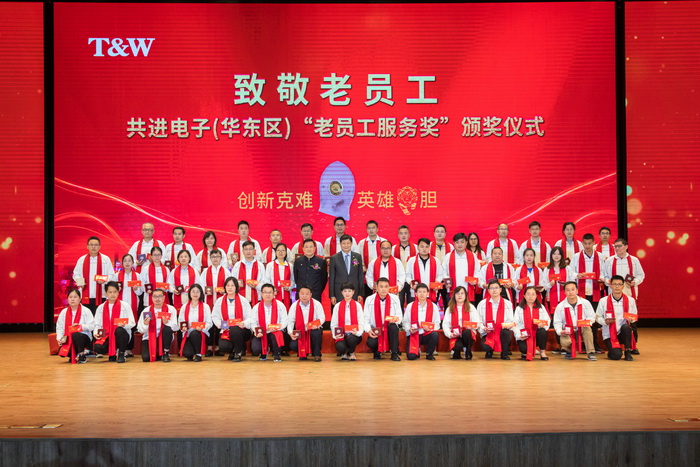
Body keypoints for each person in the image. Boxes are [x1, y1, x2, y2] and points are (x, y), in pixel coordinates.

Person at [603, 238, 645, 352]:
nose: (617, 248)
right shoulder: (609, 260)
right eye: (615, 246)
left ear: (626, 246)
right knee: (614, 319)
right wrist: (607, 281)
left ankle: (633, 346)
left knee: (631, 320)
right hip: (614, 296)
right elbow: (604, 275)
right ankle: (614, 342)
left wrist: (634, 282)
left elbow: (641, 275)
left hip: (629, 294)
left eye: (619, 246)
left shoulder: (634, 260)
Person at [572, 233, 605, 353]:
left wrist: (601, 278)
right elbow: (571, 271)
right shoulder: (576, 256)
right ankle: (581, 344)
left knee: (594, 319)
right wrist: (577, 275)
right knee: (581, 318)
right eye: (585, 243)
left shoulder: (600, 256)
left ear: (593, 243)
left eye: (589, 243)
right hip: (581, 292)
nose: (587, 246)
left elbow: (604, 271)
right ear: (582, 243)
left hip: (595, 291)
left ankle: (594, 344)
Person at [595, 275, 638, 361]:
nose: (617, 286)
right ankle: (613, 351)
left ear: (623, 286)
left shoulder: (630, 300)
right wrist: (605, 322)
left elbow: (634, 315)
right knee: (616, 356)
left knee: (626, 327)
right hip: (609, 333)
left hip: (623, 332)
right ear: (611, 286)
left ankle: (628, 352)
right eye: (614, 284)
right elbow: (597, 317)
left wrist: (631, 320)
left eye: (619, 284)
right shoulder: (603, 301)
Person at [553, 282, 597, 361]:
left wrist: (586, 323)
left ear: (577, 290)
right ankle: (568, 351)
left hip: (582, 328)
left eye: (573, 289)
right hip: (568, 330)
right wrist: (560, 331)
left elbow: (592, 316)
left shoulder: (585, 303)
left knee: (587, 329)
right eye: (568, 290)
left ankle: (590, 352)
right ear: (564, 292)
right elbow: (557, 322)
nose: (570, 292)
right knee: (564, 339)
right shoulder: (560, 306)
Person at [211, 277, 253, 362]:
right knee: (224, 347)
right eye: (228, 285)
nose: (230, 288)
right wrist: (221, 325)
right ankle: (233, 351)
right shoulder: (219, 301)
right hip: (226, 329)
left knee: (235, 330)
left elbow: (250, 317)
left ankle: (238, 353)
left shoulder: (243, 300)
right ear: (225, 287)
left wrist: (244, 323)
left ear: (236, 287)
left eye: (232, 285)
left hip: (242, 330)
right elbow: (214, 316)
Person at [198, 249, 231, 355]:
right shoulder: (205, 272)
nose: (215, 259)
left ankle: (217, 347)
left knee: (220, 323)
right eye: (213, 257)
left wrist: (224, 290)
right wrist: (206, 291)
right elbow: (201, 286)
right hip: (209, 301)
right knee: (210, 324)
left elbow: (230, 285)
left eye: (217, 257)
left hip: (222, 302)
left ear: (221, 258)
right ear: (210, 258)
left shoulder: (226, 271)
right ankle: (209, 348)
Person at [93, 281, 135, 363]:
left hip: (122, 335)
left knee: (119, 330)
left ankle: (121, 353)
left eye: (115, 292)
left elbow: (132, 322)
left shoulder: (125, 305)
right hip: (107, 335)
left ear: (118, 292)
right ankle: (112, 353)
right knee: (97, 347)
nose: (112, 294)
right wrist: (96, 333)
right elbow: (97, 324)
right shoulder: (101, 308)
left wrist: (124, 325)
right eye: (110, 292)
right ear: (106, 293)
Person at [72, 236, 114, 314]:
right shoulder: (82, 260)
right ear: (87, 246)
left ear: (100, 247)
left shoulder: (105, 259)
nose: (93, 247)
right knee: (86, 316)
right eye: (91, 245)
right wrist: (80, 282)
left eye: (96, 245)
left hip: (101, 294)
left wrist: (104, 280)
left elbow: (111, 274)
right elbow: (76, 274)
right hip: (85, 293)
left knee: (99, 316)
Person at [364, 278, 403, 361]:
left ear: (389, 287)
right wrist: (368, 330)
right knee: (371, 343)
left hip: (389, 329)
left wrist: (395, 320)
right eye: (381, 286)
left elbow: (399, 315)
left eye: (386, 286)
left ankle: (394, 353)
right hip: (376, 330)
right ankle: (377, 351)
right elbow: (365, 318)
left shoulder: (395, 298)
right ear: (376, 288)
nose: (384, 289)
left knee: (393, 327)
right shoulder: (369, 299)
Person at [476, 279, 515, 360]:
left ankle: (504, 353)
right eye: (491, 288)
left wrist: (506, 325)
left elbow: (510, 320)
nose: (494, 290)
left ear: (500, 290)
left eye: (496, 288)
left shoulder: (507, 303)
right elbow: (478, 321)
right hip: (488, 333)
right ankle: (489, 351)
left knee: (506, 333)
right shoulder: (482, 304)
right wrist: (483, 328)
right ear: (488, 290)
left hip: (502, 332)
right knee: (485, 347)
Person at [136, 288, 178, 362]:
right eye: (155, 296)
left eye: (160, 296)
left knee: (167, 328)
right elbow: (140, 330)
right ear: (152, 298)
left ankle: (165, 352)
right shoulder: (146, 311)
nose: (157, 299)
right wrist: (145, 324)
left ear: (164, 298)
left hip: (164, 337)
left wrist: (167, 323)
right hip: (149, 337)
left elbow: (176, 328)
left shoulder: (171, 309)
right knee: (146, 358)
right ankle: (158, 354)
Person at [249, 284, 288, 361]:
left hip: (275, 331)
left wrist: (277, 328)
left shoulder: (280, 305)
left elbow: (285, 321)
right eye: (265, 292)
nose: (267, 295)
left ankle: (277, 353)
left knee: (277, 335)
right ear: (261, 294)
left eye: (270, 292)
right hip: (262, 332)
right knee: (255, 348)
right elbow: (253, 322)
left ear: (274, 293)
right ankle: (263, 352)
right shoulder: (256, 307)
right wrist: (256, 331)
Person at [55, 289, 95, 364]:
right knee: (62, 352)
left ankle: (81, 355)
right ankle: (75, 354)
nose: (72, 299)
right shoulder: (64, 312)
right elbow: (59, 327)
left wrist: (80, 327)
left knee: (76, 335)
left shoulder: (86, 311)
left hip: (84, 337)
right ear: (67, 299)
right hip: (68, 338)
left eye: (75, 297)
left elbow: (92, 326)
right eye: (70, 297)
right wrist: (59, 338)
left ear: (80, 299)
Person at [287, 285, 325, 361]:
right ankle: (303, 353)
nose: (304, 296)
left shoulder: (316, 304)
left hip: (312, 329)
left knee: (316, 333)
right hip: (300, 332)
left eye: (307, 294)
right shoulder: (294, 306)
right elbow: (290, 321)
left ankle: (317, 354)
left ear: (311, 294)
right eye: (302, 293)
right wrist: (290, 332)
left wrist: (316, 325)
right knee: (293, 345)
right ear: (298, 294)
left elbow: (322, 317)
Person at [403, 283, 441, 360]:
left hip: (427, 334)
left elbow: (437, 323)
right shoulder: (410, 306)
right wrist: (409, 329)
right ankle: (416, 350)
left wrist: (431, 328)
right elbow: (405, 322)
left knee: (434, 335)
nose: (422, 294)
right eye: (419, 292)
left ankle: (429, 353)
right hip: (414, 334)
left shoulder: (433, 306)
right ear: (416, 294)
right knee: (411, 357)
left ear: (427, 293)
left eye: (424, 292)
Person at [442, 233, 481, 306]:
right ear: (453, 243)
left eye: (462, 242)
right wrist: (447, 281)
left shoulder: (472, 256)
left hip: (468, 289)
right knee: (453, 311)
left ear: (466, 243)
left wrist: (475, 280)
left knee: (468, 311)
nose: (459, 244)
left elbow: (478, 271)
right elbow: (443, 271)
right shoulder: (448, 256)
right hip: (452, 290)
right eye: (457, 242)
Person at [513, 286, 551, 361]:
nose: (530, 296)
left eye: (533, 294)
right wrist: (519, 335)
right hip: (524, 335)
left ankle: (542, 352)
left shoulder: (541, 307)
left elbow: (547, 320)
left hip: (536, 334)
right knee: (524, 349)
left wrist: (542, 324)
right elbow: (515, 324)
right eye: (528, 294)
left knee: (542, 331)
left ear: (536, 296)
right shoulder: (519, 308)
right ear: (524, 296)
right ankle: (525, 353)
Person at [442, 286, 478, 360]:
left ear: (465, 295)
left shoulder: (471, 307)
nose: (460, 295)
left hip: (467, 334)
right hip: (455, 335)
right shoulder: (449, 308)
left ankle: (468, 351)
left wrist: (471, 326)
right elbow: (445, 325)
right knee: (457, 347)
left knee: (467, 332)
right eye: (457, 293)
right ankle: (456, 352)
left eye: (462, 293)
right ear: (454, 295)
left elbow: (477, 322)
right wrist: (450, 334)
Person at [330, 282, 365, 360]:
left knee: (351, 339)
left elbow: (361, 322)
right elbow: (334, 323)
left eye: (349, 291)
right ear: (342, 292)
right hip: (342, 335)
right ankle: (345, 352)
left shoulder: (358, 305)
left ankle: (352, 352)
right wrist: (335, 334)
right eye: (345, 291)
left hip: (354, 334)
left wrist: (358, 332)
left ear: (353, 292)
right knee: (340, 346)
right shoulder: (337, 306)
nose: (347, 293)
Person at [178, 284, 213, 362]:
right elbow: (180, 321)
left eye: (197, 292)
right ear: (189, 293)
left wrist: (202, 328)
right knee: (187, 354)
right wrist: (183, 328)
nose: (195, 294)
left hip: (201, 333)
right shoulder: (184, 307)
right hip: (188, 333)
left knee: (195, 333)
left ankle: (198, 354)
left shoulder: (205, 306)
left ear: (201, 293)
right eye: (193, 291)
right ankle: (192, 350)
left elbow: (209, 322)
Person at [329, 234, 364, 305]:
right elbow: (332, 278)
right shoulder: (334, 258)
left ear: (351, 244)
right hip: (339, 291)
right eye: (343, 243)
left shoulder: (357, 257)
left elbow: (360, 275)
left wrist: (360, 293)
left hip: (354, 291)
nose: (346, 245)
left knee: (353, 310)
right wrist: (332, 295)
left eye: (348, 243)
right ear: (340, 244)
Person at [542, 246, 575, 314]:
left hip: (566, 297)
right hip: (551, 297)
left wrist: (566, 284)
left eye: (559, 254)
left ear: (561, 255)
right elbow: (544, 285)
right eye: (554, 254)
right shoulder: (547, 269)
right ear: (551, 255)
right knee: (553, 316)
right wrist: (550, 284)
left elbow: (573, 282)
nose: (556, 256)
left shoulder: (567, 268)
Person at [293, 238, 328, 303]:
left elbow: (323, 279)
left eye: (311, 247)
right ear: (303, 249)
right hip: (301, 293)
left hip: (315, 293)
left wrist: (318, 289)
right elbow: (296, 277)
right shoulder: (298, 261)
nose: (309, 249)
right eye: (306, 247)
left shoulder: (321, 261)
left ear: (315, 248)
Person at [231, 241, 265, 306]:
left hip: (256, 298)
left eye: (250, 249)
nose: (248, 251)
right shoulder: (237, 265)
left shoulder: (260, 265)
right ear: (242, 251)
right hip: (240, 299)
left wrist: (256, 286)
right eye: (246, 249)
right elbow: (232, 282)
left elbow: (264, 282)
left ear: (254, 251)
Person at [392, 225, 417, 307]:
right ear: (398, 235)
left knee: (412, 302)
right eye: (401, 233)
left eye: (405, 233)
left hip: (412, 279)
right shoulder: (393, 249)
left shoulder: (416, 248)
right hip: (399, 279)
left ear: (409, 235)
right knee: (399, 302)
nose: (403, 235)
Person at [264, 243, 295, 309]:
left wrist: (289, 287)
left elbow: (293, 280)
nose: (280, 252)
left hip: (287, 296)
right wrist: (272, 289)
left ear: (286, 252)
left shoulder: (290, 266)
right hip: (273, 295)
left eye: (283, 250)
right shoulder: (270, 265)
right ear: (275, 252)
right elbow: (267, 280)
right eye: (278, 250)